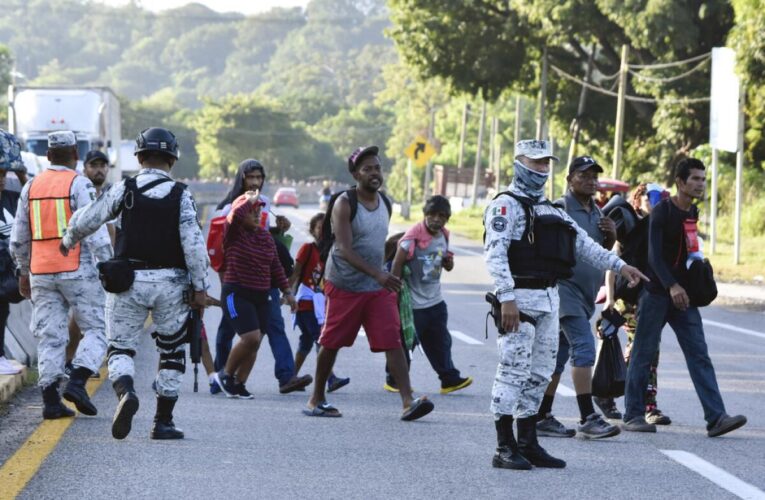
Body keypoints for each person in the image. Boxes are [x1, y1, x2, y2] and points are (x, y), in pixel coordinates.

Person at [483, 140, 647, 470]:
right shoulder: (506, 205)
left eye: (546, 164)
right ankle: (504, 446)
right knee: (512, 372)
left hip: (548, 300)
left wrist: (620, 266)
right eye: (535, 162)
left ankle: (528, 442)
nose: (541, 169)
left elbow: (585, 246)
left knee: (541, 373)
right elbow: (496, 254)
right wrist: (506, 297)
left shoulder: (551, 210)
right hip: (519, 301)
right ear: (519, 163)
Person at [61, 127, 209, 440]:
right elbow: (194, 245)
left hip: (127, 282)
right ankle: (163, 422)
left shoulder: (124, 188)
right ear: (172, 159)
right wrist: (200, 287)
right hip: (171, 284)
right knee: (171, 353)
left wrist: (69, 236)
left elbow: (90, 217)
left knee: (121, 348)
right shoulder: (182, 195)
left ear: (139, 157)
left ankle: (125, 393)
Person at [305, 145, 434, 421]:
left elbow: (376, 245)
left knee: (392, 337)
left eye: (377, 167)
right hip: (344, 284)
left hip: (376, 287)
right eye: (367, 169)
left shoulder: (385, 202)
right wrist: (378, 274)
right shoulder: (345, 203)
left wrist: (401, 248)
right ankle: (316, 398)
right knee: (332, 341)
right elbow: (343, 248)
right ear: (355, 174)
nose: (374, 173)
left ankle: (408, 399)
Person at [622, 158, 747, 436]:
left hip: (682, 297)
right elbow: (654, 256)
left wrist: (695, 278)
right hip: (656, 293)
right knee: (643, 353)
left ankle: (716, 418)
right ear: (680, 182)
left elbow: (689, 252)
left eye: (703, 179)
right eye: (695, 179)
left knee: (699, 354)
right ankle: (632, 414)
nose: (701, 184)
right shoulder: (662, 212)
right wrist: (671, 286)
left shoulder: (692, 212)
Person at [10, 131, 112, 419]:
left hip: (41, 272)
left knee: (50, 335)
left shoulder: (31, 186)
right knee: (96, 328)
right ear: (76, 155)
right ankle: (78, 382)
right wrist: (107, 264)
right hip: (76, 269)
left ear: (48, 156)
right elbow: (93, 226)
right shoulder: (78, 184)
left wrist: (22, 271)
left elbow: (19, 236)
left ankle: (51, 401)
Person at [535, 156, 621, 440]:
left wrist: (611, 237)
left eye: (594, 176)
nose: (590, 180)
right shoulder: (559, 209)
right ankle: (588, 416)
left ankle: (541, 416)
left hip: (584, 296)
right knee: (584, 348)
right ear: (570, 178)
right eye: (583, 175)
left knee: (557, 358)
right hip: (564, 291)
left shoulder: (597, 212)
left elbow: (598, 252)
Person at [212, 159, 310, 394]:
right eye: (251, 178)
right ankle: (221, 376)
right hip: (234, 286)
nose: (255, 183)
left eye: (259, 178)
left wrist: (287, 291)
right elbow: (234, 223)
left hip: (261, 288)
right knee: (232, 333)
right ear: (241, 179)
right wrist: (250, 201)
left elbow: (274, 264)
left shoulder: (262, 225)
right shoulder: (231, 211)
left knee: (263, 332)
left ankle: (277, 378)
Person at [602, 183, 672, 426]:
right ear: (638, 200)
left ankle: (643, 402)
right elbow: (612, 264)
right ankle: (640, 404)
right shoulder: (629, 225)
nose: (655, 203)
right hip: (628, 300)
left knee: (651, 351)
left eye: (661, 199)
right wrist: (610, 299)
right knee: (642, 350)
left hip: (651, 299)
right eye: (650, 199)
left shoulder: (660, 227)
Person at [390, 195, 473, 394]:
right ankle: (394, 381)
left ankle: (449, 379)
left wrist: (448, 263)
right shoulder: (413, 237)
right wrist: (393, 295)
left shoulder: (443, 234)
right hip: (414, 304)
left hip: (435, 300)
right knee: (406, 343)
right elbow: (397, 263)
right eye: (432, 215)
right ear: (425, 215)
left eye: (442, 216)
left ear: (447, 218)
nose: (436, 219)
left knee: (441, 341)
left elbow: (447, 262)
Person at [65, 150, 114, 377]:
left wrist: (111, 262)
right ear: (84, 168)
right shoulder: (79, 191)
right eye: (94, 165)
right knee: (82, 316)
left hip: (101, 264)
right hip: (78, 262)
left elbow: (112, 229)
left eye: (103, 165)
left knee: (92, 316)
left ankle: (83, 361)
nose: (99, 170)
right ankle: (71, 360)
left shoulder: (109, 195)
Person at [290, 212, 349, 392]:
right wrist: (288, 294)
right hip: (306, 303)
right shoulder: (307, 249)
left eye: (327, 228)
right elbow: (296, 273)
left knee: (306, 342)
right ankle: (330, 378)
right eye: (319, 228)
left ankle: (290, 377)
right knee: (321, 340)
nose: (323, 231)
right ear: (313, 230)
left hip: (321, 305)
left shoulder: (332, 252)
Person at [0, 129, 26, 376]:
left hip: (6, 269)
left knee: (3, 307)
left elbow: (32, 199)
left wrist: (22, 174)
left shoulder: (12, 197)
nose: (1, 179)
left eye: (3, 174)